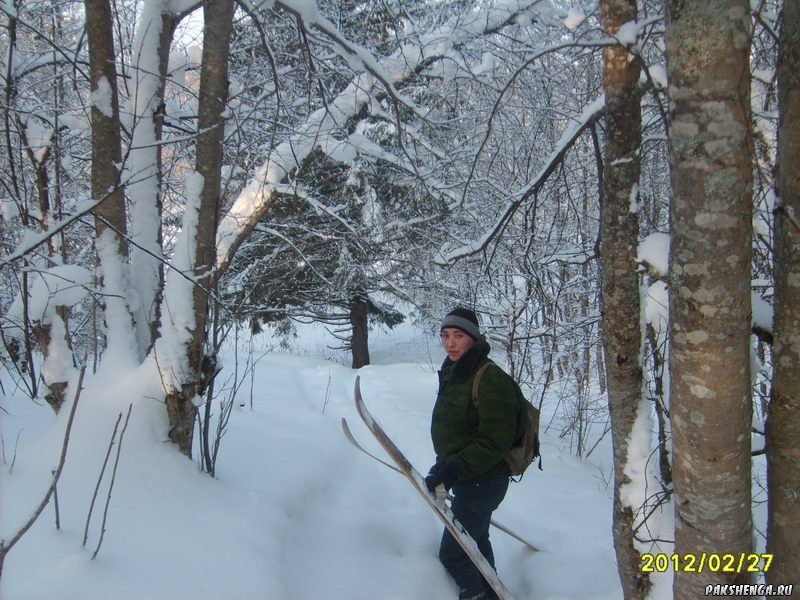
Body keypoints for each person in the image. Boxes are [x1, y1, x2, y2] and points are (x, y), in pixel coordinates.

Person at [424, 307, 522, 600]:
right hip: (468, 476)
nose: (450, 343)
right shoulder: (455, 373)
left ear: (473, 338)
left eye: (458, 336)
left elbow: (495, 441)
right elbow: (459, 428)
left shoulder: (490, 379)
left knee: (456, 554)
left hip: (485, 481)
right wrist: (445, 467)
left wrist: (454, 469)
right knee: (475, 545)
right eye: (445, 336)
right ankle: (493, 594)